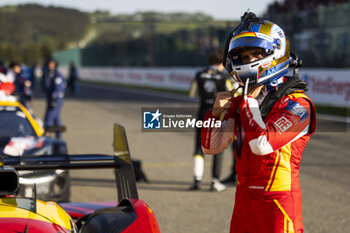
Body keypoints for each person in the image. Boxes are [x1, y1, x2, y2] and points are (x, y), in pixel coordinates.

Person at [201, 12, 316, 233]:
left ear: (276, 53)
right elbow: (210, 146)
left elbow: (262, 144)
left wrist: (246, 102)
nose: (250, 61)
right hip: (244, 202)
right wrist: (214, 114)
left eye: (256, 54)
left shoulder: (299, 105)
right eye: (244, 57)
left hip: (278, 205)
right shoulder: (242, 102)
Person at [188, 49, 238, 192]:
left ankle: (196, 180)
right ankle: (215, 181)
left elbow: (192, 93)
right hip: (218, 114)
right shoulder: (223, 77)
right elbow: (232, 95)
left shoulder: (199, 74)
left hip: (202, 113)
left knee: (199, 146)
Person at [44, 59, 66, 139]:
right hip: (51, 99)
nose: (50, 66)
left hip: (55, 101)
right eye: (49, 64)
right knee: (57, 120)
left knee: (48, 120)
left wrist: (54, 101)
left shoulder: (57, 75)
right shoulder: (50, 74)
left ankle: (47, 139)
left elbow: (59, 90)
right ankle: (59, 138)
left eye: (52, 64)